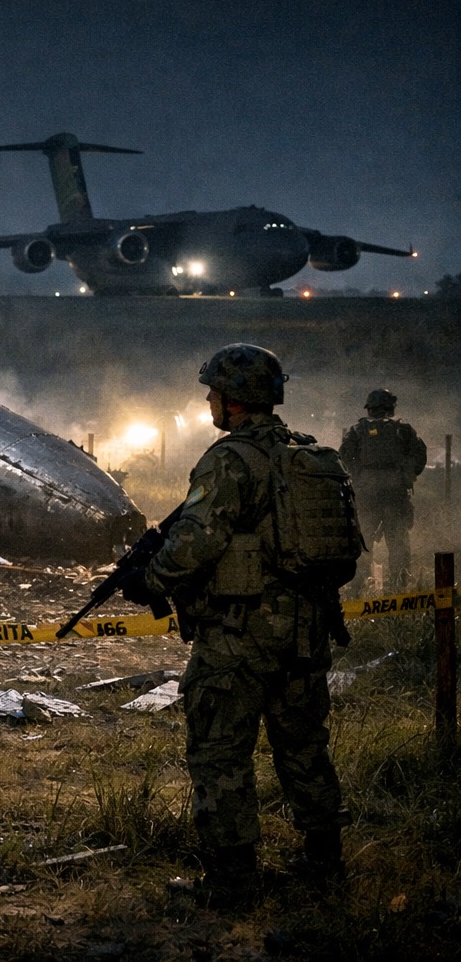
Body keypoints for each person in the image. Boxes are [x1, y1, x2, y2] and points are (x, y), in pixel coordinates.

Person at [125, 344, 354, 910]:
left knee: (220, 753)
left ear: (234, 401)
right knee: (304, 746)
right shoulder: (308, 454)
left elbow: (194, 543)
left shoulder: (229, 460)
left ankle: (232, 882)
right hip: (306, 631)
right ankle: (325, 864)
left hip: (238, 634)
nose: (208, 401)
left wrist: (150, 580)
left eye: (213, 392)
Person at [339, 388, 427, 587]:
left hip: (366, 495)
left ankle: (357, 586)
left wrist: (359, 477)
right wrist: (405, 477)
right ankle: (398, 585)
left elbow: (343, 457)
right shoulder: (403, 429)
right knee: (398, 543)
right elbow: (420, 455)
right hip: (395, 495)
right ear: (391, 407)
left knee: (363, 542)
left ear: (369, 408)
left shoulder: (357, 431)